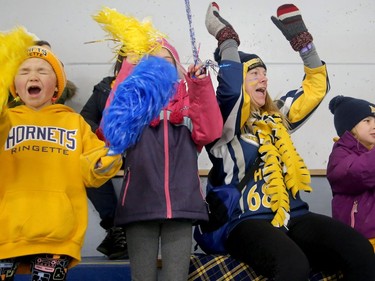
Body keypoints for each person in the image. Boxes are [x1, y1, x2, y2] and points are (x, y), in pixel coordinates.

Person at [203, 2, 375, 281]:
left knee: (359, 250)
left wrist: (303, 43)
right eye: (254, 73)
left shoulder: (276, 117)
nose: (264, 78)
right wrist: (227, 39)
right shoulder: (221, 121)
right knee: (293, 266)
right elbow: (232, 91)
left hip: (291, 215)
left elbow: (315, 90)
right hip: (244, 220)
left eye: (265, 73)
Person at [0, 29, 123, 281]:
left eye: (42, 71)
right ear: (14, 85)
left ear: (57, 83)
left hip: (58, 234)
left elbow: (93, 167)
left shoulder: (75, 123)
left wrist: (107, 160)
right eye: (24, 71)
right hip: (6, 232)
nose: (33, 75)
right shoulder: (5, 120)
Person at [112, 38, 223, 281]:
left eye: (167, 60)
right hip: (139, 204)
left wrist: (201, 86)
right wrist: (128, 67)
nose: (160, 66)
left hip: (182, 205)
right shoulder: (134, 103)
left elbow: (211, 130)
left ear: (177, 68)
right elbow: (111, 126)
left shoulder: (188, 103)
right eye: (151, 61)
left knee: (176, 277)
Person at [80, 54, 128, 260]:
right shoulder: (104, 88)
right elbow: (85, 119)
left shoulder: (147, 87)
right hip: (110, 151)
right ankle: (116, 228)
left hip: (140, 151)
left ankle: (120, 232)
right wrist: (101, 134)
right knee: (89, 169)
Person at [327, 95, 375, 251]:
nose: (374, 126)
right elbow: (357, 173)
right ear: (350, 128)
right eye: (367, 121)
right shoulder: (340, 155)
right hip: (361, 239)